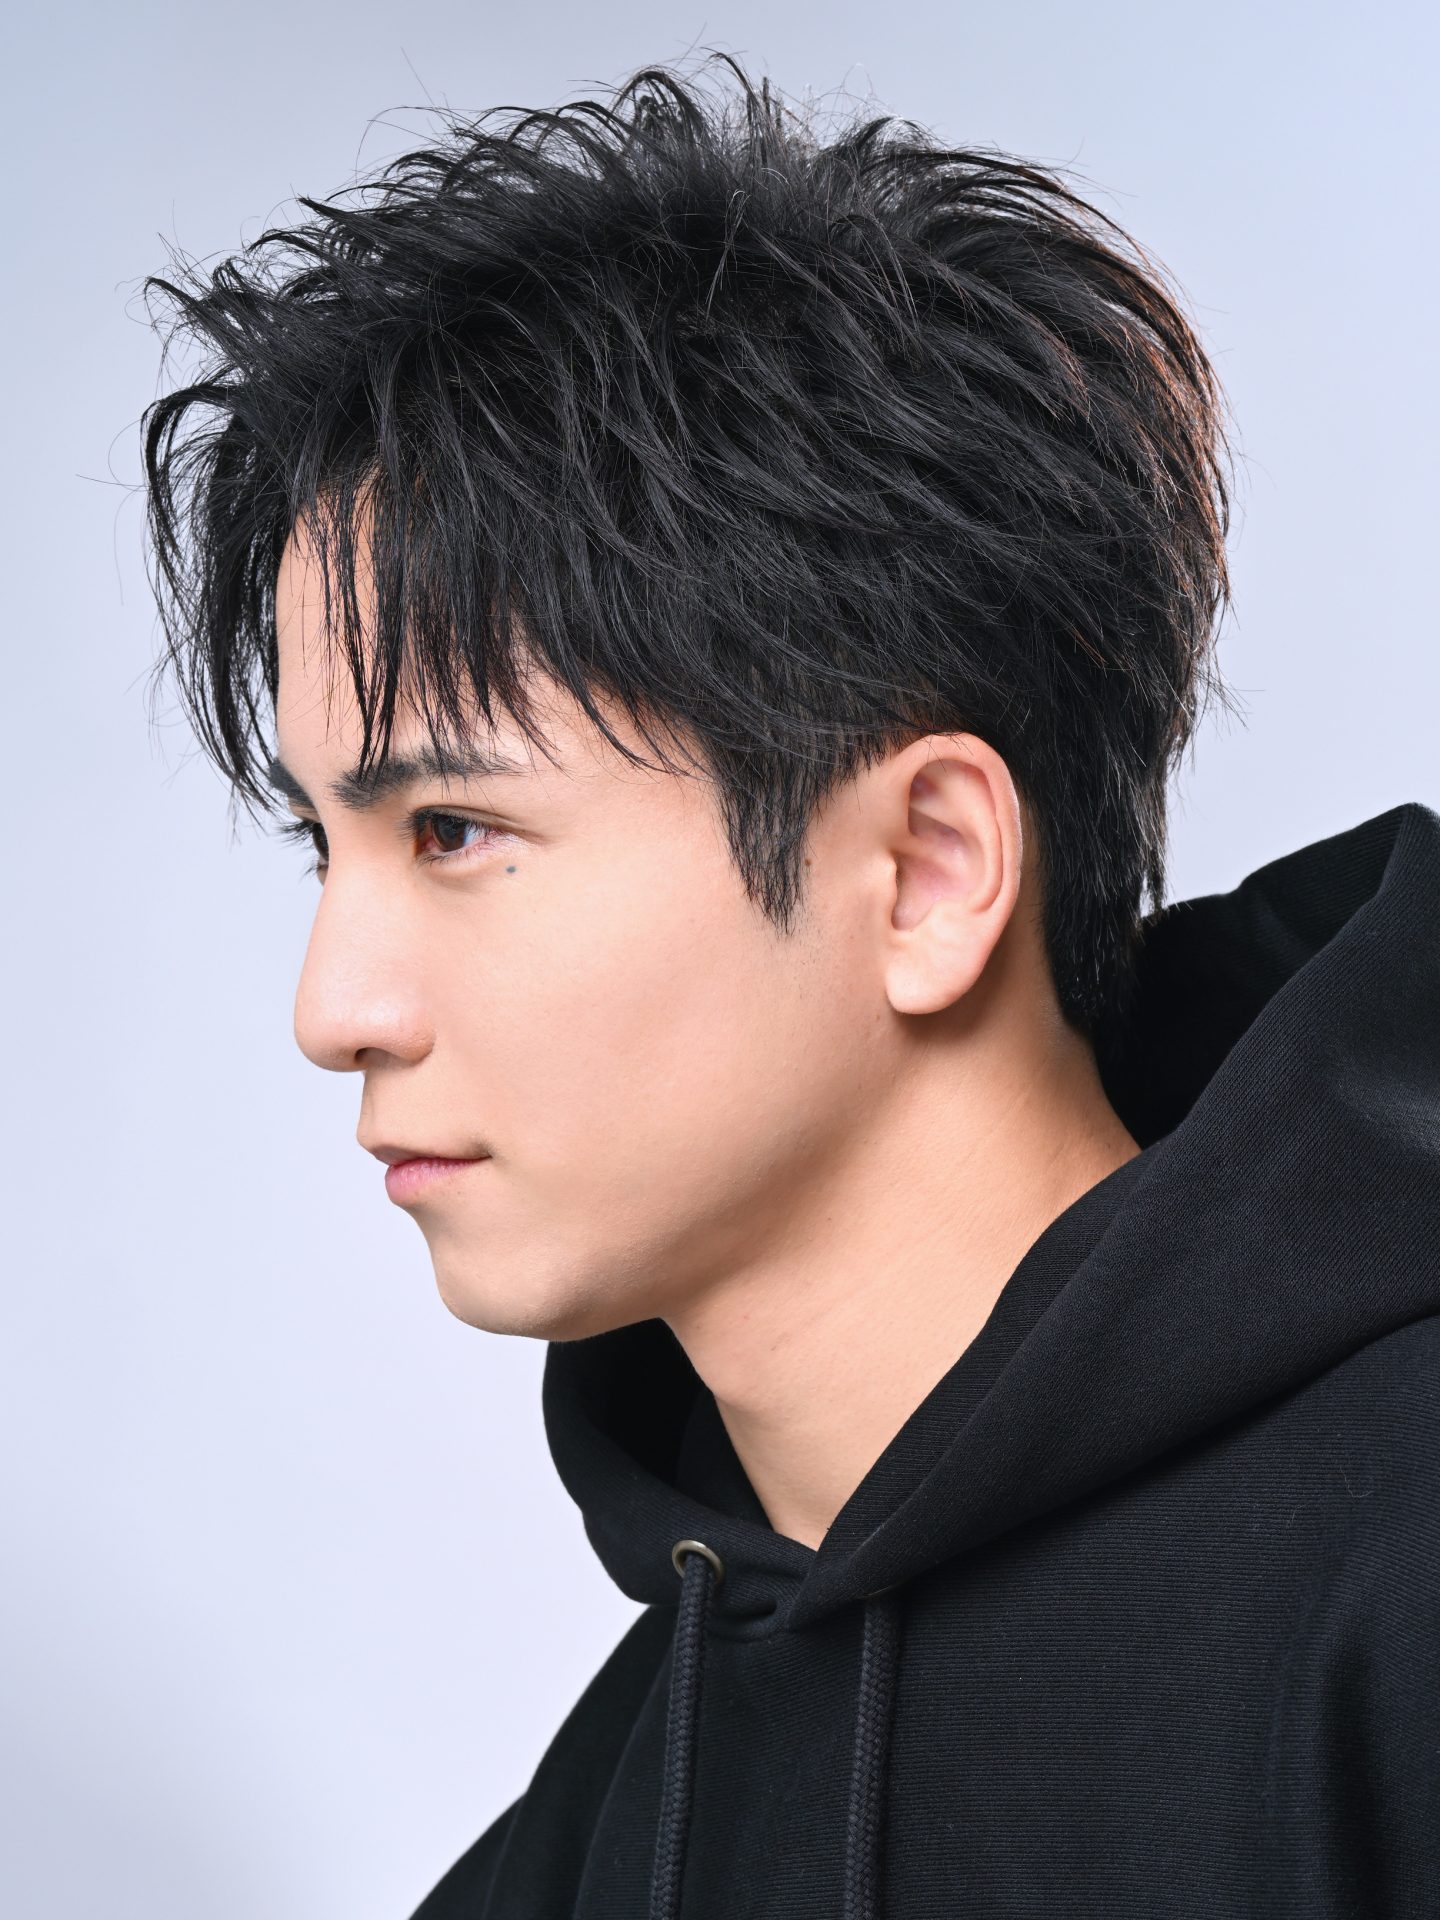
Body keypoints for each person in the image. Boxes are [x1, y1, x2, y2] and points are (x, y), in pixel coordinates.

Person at [139, 55, 1440, 1920]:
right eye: (321, 851)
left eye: (455, 830)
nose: (332, 1004)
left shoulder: (1397, 1592)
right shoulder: (593, 1828)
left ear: (926, 872)